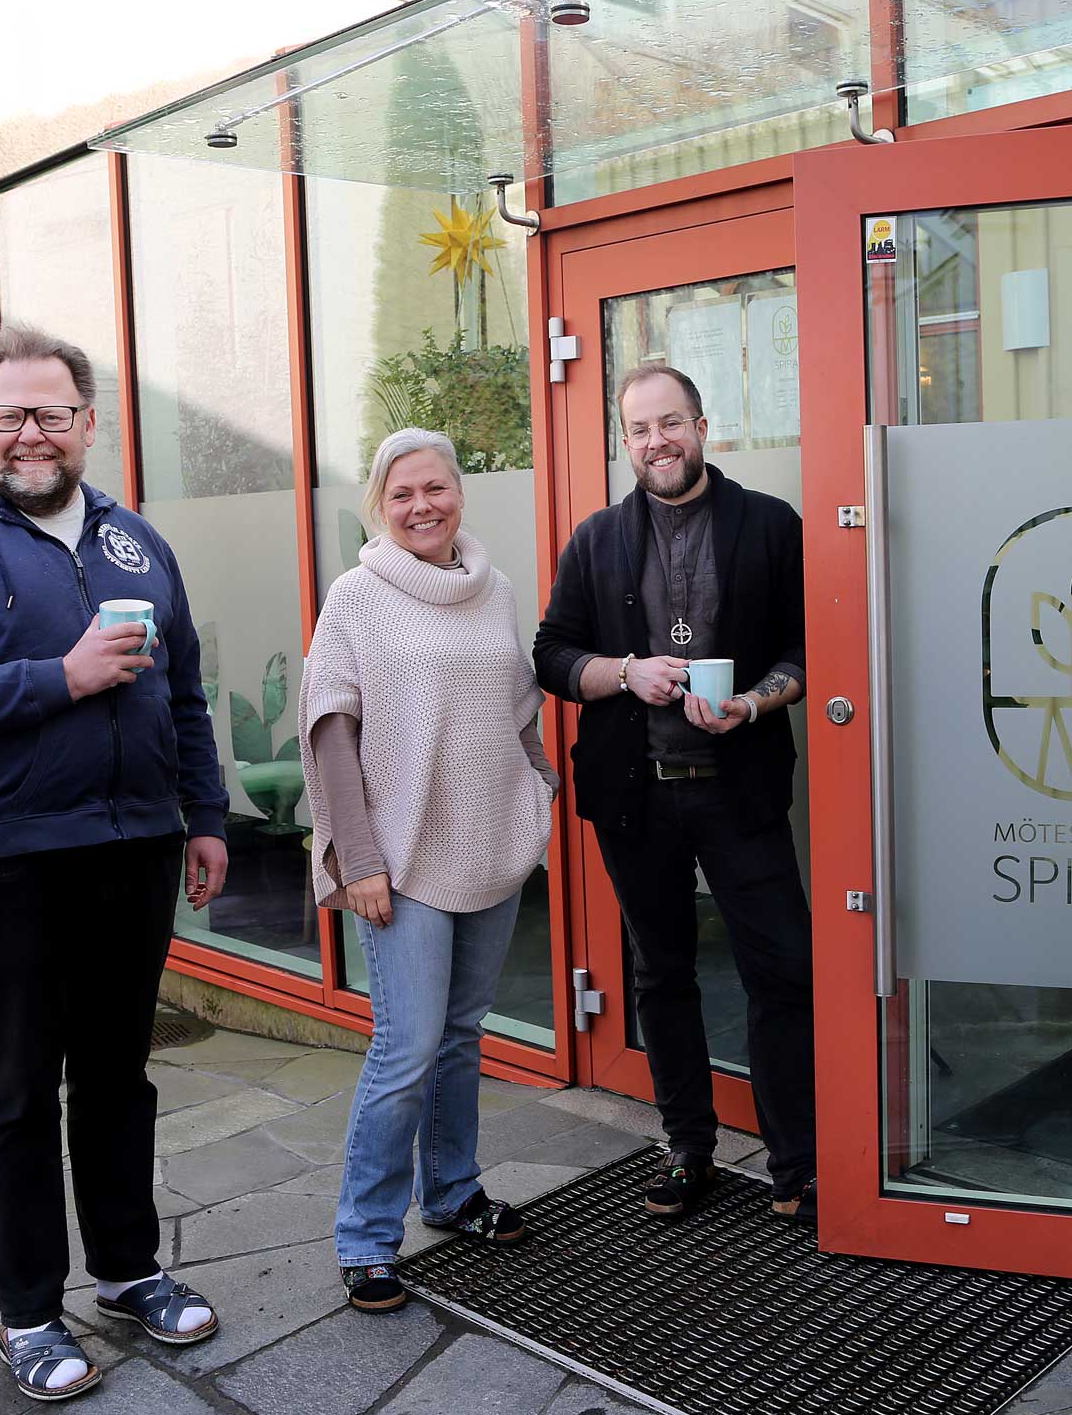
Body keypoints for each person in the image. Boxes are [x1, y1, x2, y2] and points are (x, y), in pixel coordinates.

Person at [0, 322, 228, 1401]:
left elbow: (184, 692)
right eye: (10, 414)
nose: (32, 433)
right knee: (20, 1090)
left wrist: (206, 815)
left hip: (135, 849)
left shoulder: (135, 541)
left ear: (88, 423)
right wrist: (61, 676)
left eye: (53, 413)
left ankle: (128, 1270)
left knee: (117, 1076)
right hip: (8, 861)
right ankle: (28, 1313)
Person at [532, 364, 818, 1224]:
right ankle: (689, 1148)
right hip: (638, 798)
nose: (656, 441)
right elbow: (552, 656)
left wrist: (753, 703)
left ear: (701, 426)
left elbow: (811, 647)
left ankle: (799, 1166)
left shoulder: (770, 525)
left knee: (784, 971)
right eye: (639, 429)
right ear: (625, 442)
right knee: (662, 975)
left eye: (670, 423)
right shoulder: (595, 540)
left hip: (741, 792)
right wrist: (626, 672)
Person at [301, 427, 561, 1313]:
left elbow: (516, 708)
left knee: (460, 1035)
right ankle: (366, 1238)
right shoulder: (356, 596)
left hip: (488, 843)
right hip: (400, 859)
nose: (422, 506)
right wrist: (358, 858)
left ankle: (451, 1193)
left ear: (459, 492)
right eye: (402, 493)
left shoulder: (494, 589)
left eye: (435, 488)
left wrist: (538, 789)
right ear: (381, 505)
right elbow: (331, 730)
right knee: (406, 1048)